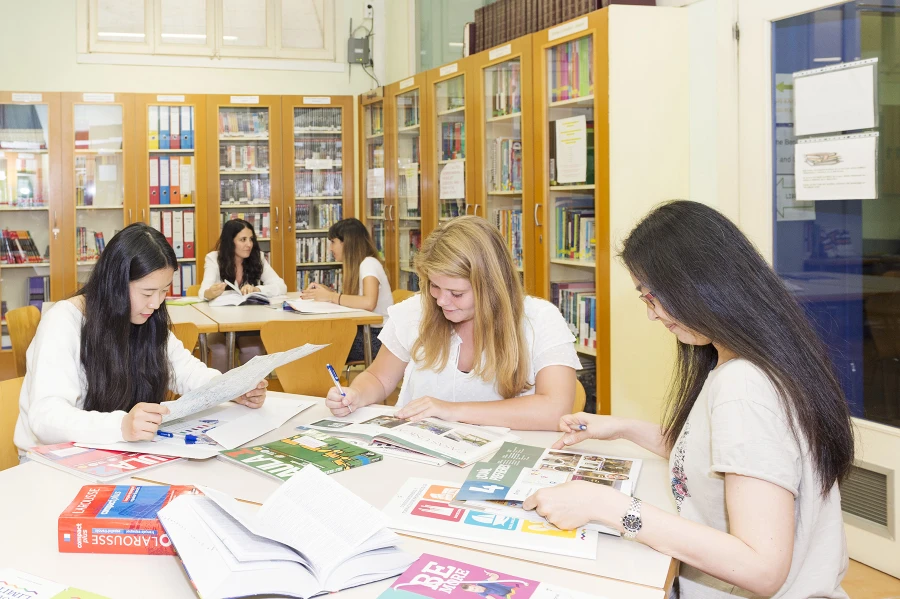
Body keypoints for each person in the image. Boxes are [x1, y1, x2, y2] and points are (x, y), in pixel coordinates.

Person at [522, 201, 854, 598]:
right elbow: (719, 458)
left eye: (652, 297)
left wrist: (610, 507)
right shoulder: (750, 358)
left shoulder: (744, 388)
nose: (652, 314)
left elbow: (762, 568)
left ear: (698, 284)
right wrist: (625, 428)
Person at [14, 223, 267, 456]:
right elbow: (46, 417)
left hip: (114, 452)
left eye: (164, 291)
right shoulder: (64, 321)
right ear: (115, 284)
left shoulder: (144, 317)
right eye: (147, 292)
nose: (156, 303)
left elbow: (186, 371)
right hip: (55, 460)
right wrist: (121, 425)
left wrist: (231, 388)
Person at [324, 216, 581, 431]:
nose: (442, 301)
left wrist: (451, 411)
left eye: (457, 293)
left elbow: (554, 409)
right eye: (434, 286)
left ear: (492, 286)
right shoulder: (416, 311)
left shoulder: (539, 319)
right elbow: (378, 378)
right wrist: (356, 394)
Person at [199, 218, 287, 370]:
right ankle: (222, 393)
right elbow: (203, 291)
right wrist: (210, 292)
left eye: (251, 239)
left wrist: (257, 289)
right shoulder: (214, 258)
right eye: (243, 239)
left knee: (253, 350)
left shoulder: (257, 258)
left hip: (250, 325)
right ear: (230, 241)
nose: (249, 244)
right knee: (221, 351)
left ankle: (251, 393)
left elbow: (281, 286)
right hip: (221, 326)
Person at [301, 218, 393, 362]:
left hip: (377, 338)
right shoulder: (362, 265)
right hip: (369, 333)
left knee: (318, 345)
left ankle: (314, 383)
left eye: (333, 242)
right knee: (317, 342)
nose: (330, 248)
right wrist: (328, 294)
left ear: (347, 242)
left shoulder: (369, 264)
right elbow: (357, 302)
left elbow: (369, 302)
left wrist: (331, 297)